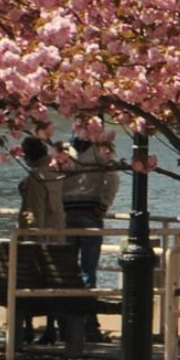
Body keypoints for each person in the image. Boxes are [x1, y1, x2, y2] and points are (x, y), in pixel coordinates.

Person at [60, 130, 120, 342]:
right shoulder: (101, 152)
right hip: (90, 214)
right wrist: (103, 204)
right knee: (88, 272)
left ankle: (68, 324)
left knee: (67, 272)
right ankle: (89, 326)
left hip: (66, 216)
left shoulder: (63, 151)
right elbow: (112, 180)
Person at [16, 136, 65, 345]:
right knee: (52, 282)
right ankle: (50, 327)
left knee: (27, 279)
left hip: (38, 241)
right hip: (57, 239)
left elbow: (33, 214)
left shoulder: (36, 177)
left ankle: (27, 328)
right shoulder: (55, 172)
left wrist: (27, 236)